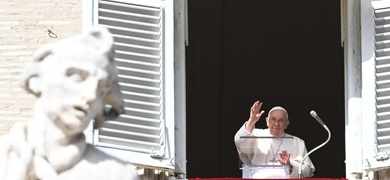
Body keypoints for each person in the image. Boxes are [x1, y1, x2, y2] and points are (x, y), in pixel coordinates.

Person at [234, 101, 315, 178]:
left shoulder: (297, 142)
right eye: (273, 119)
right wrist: (251, 121)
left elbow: (307, 170)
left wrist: (290, 166)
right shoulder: (255, 134)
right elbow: (239, 141)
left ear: (286, 124)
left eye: (281, 120)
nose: (277, 124)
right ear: (267, 121)